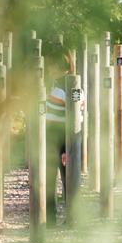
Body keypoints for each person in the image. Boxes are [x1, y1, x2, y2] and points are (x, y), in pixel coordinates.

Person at [45, 48, 81, 225]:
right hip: (52, 137)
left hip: (62, 138)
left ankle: (72, 218)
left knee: (68, 179)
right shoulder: (57, 83)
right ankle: (48, 218)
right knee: (48, 179)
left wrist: (67, 147)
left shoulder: (71, 85)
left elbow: (76, 116)